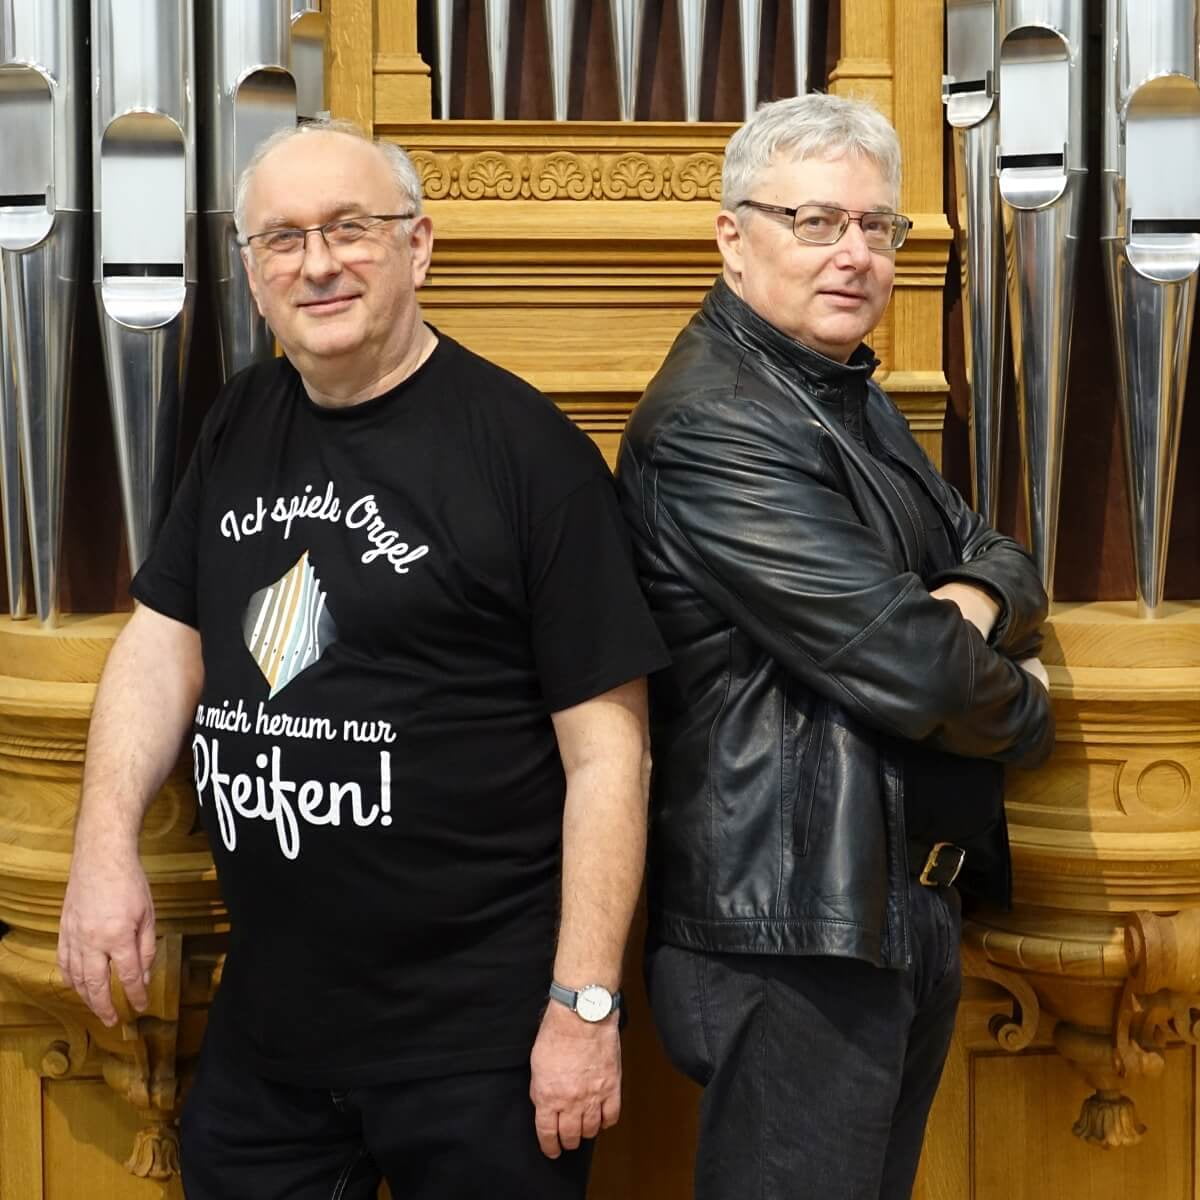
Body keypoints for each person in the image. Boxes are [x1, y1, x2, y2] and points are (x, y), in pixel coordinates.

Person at [57, 118, 668, 1200]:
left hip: (477, 1051)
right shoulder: (240, 421)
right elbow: (164, 643)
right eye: (282, 240)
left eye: (350, 228)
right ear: (250, 275)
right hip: (270, 1036)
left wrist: (584, 1007)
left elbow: (609, 758)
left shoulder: (531, 458)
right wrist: (104, 850)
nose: (319, 263)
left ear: (420, 245)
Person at [616, 94, 1055, 1200]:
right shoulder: (716, 421)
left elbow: (1001, 555)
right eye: (817, 222)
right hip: (791, 929)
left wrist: (964, 607)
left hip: (881, 908)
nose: (855, 254)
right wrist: (1026, 703)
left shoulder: (847, 394)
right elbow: (914, 668)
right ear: (732, 235)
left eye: (878, 228)